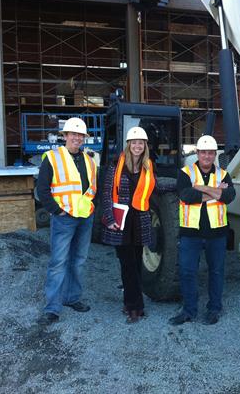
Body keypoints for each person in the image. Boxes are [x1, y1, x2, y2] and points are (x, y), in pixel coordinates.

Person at [37, 117, 97, 326]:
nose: (77, 138)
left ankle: (72, 298)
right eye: (73, 134)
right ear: (65, 136)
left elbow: (92, 188)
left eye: (80, 135)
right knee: (58, 263)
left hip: (84, 217)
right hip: (64, 218)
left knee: (78, 260)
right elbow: (42, 189)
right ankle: (52, 308)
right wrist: (56, 211)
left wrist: (90, 208)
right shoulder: (53, 158)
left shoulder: (89, 160)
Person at [169, 135, 236, 326]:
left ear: (215, 154)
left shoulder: (223, 174)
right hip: (191, 233)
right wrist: (216, 192)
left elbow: (229, 196)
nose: (207, 156)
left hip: (217, 234)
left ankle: (214, 309)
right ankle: (189, 311)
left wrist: (200, 188)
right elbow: (186, 195)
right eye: (203, 152)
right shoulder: (185, 173)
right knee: (187, 272)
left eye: (211, 153)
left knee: (216, 272)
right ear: (197, 153)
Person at [101, 126, 156, 323]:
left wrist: (179, 186)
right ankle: (136, 307)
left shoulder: (148, 166)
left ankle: (129, 302)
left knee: (136, 265)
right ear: (128, 144)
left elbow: (154, 187)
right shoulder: (116, 165)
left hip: (139, 222)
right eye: (134, 143)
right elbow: (107, 193)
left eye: (141, 143)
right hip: (121, 222)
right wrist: (109, 219)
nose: (137, 146)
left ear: (145, 146)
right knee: (128, 265)